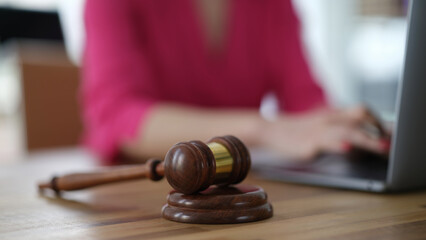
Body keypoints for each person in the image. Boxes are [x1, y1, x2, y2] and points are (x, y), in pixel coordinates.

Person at [82, 0, 390, 164]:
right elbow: (118, 117)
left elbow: (306, 101)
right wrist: (261, 129)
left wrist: (348, 128)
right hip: (139, 194)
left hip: (237, 189)